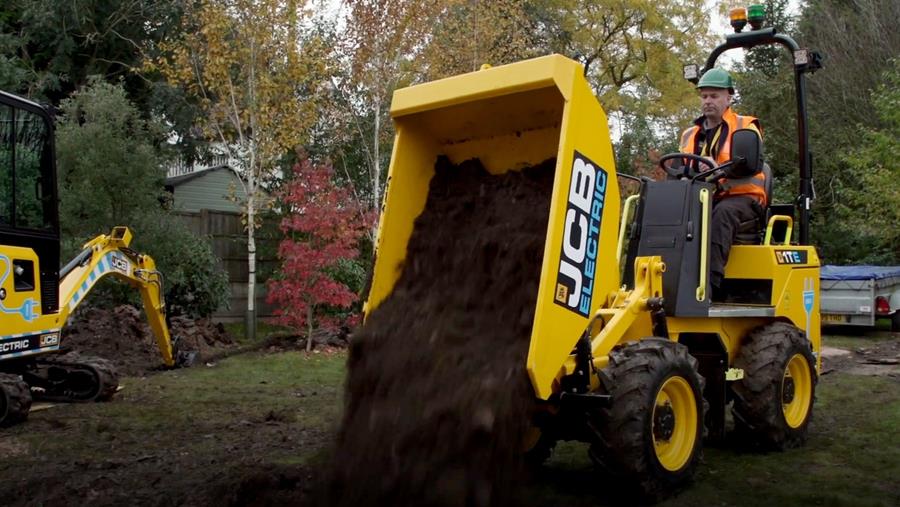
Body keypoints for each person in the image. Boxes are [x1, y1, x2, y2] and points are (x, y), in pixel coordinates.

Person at [678, 68, 765, 297]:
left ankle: (709, 287)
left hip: (742, 200)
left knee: (721, 215)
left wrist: (715, 165)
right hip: (705, 196)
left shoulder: (745, 126)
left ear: (729, 97)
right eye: (704, 96)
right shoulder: (690, 134)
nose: (708, 101)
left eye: (714, 96)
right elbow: (680, 167)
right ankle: (668, 279)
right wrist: (691, 169)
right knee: (672, 211)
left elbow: (747, 163)